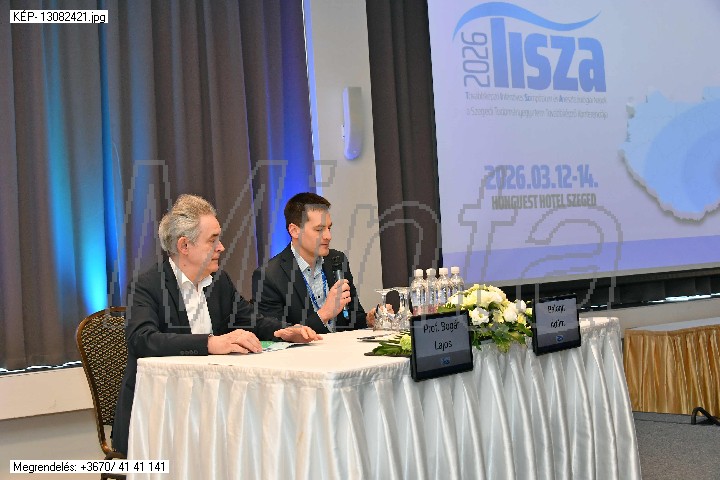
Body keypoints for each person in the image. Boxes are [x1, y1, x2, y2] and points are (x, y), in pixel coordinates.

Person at [112, 194, 320, 455]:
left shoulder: (218, 282)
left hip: (212, 410)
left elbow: (251, 319)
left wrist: (283, 331)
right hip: (158, 415)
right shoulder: (147, 286)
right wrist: (210, 343)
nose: (221, 247)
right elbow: (142, 340)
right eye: (213, 240)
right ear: (184, 245)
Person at [252, 192, 379, 333]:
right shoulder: (268, 276)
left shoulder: (337, 260)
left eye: (329, 228)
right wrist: (324, 314)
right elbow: (278, 334)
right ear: (294, 231)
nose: (328, 236)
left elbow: (351, 318)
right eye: (319, 229)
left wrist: (368, 319)